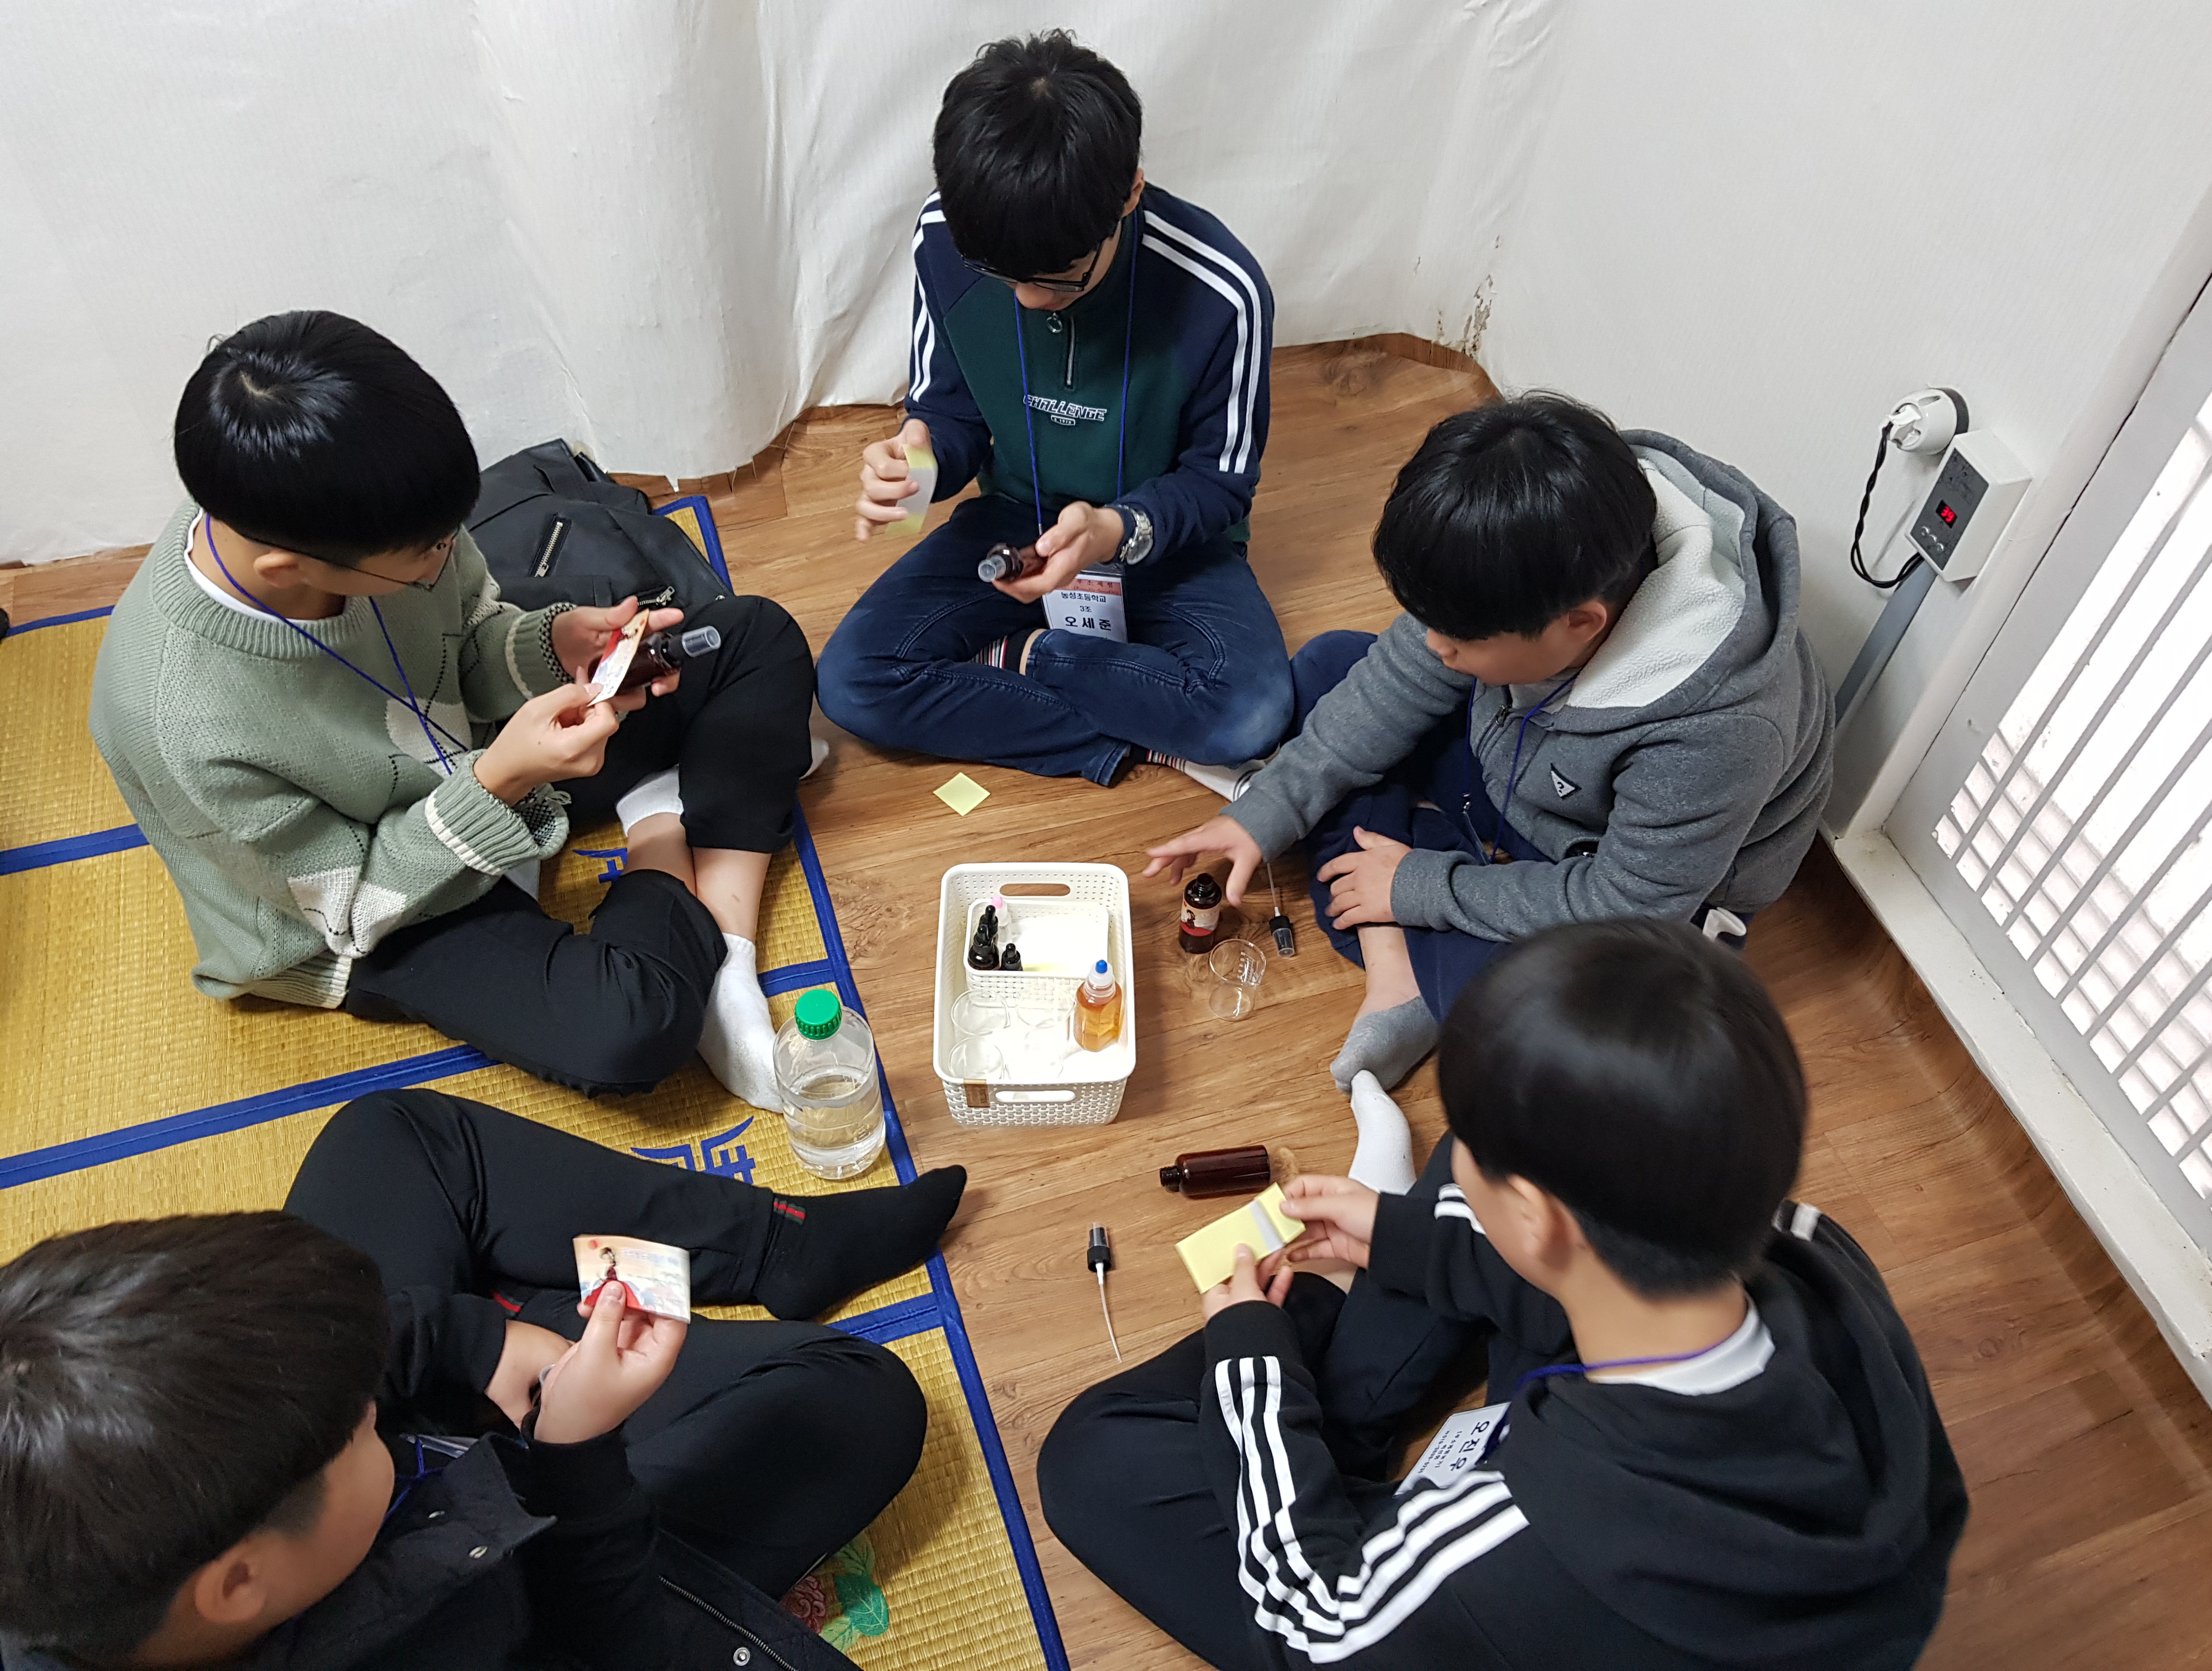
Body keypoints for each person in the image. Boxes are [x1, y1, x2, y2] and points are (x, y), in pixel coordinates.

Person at [1037, 920, 1967, 1670]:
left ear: (1537, 1221)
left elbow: (1309, 1627)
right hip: (1638, 1517)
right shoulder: (1810, 1246)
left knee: (1092, 1456)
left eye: (1487, 1168)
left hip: (1494, 1586)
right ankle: (1337, 1358)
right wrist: (1403, 1232)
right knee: (1474, 1175)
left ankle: (1308, 1353)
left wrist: (1251, 1359)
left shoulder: (1526, 1533)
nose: (1466, 1158)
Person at [90, 311, 816, 1106]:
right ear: (289, 569)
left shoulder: (365, 508)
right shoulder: (181, 721)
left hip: (476, 757)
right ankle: (663, 820)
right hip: (367, 908)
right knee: (630, 1026)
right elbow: (350, 910)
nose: (449, 554)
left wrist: (550, 644)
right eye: (426, 553)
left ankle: (727, 960)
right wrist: (500, 782)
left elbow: (466, 636)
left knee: (754, 637)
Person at [0, 1087, 967, 1669]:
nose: (372, 1403)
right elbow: (615, 1643)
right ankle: (541, 1313)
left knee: (392, 1136)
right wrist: (576, 1458)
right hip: (530, 1559)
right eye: (358, 1422)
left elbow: (370, 1347)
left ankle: (770, 1249)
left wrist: (476, 1343)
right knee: (853, 1402)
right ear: (240, 1582)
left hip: (418, 1474)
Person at [1145, 392, 1832, 1191]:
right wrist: (1262, 814)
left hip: (1626, 889)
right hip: (1517, 766)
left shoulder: (1722, 729)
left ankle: (1415, 933)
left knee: (1549, 1048)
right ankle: (1397, 971)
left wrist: (1424, 886)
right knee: (1334, 667)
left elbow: (1629, 905)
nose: (1434, 645)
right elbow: (1401, 676)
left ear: (1582, 624)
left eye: (1460, 639)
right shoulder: (1533, 556)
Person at [818, 30, 1292, 787]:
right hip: (1016, 523)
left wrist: (1114, 530)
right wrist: (916, 467)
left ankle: (1019, 661)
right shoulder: (946, 239)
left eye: (1059, 278)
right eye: (1001, 276)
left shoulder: (1222, 291)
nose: (1029, 300)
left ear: (1129, 193)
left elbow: (1220, 484)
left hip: (1163, 542)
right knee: (851, 681)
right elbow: (952, 414)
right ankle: (1146, 729)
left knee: (1250, 714)